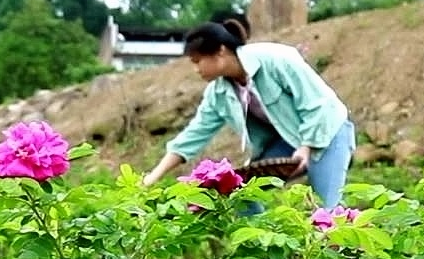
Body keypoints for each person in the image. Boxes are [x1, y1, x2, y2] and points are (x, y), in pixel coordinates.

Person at [140, 17, 356, 206]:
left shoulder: (276, 60)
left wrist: (306, 147)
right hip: (288, 140)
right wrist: (153, 178)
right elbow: (193, 135)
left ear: (220, 52)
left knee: (328, 214)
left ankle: (349, 246)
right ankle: (261, 247)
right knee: (240, 193)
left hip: (327, 132)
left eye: (198, 61)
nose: (196, 69)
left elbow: (317, 104)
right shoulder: (219, 92)